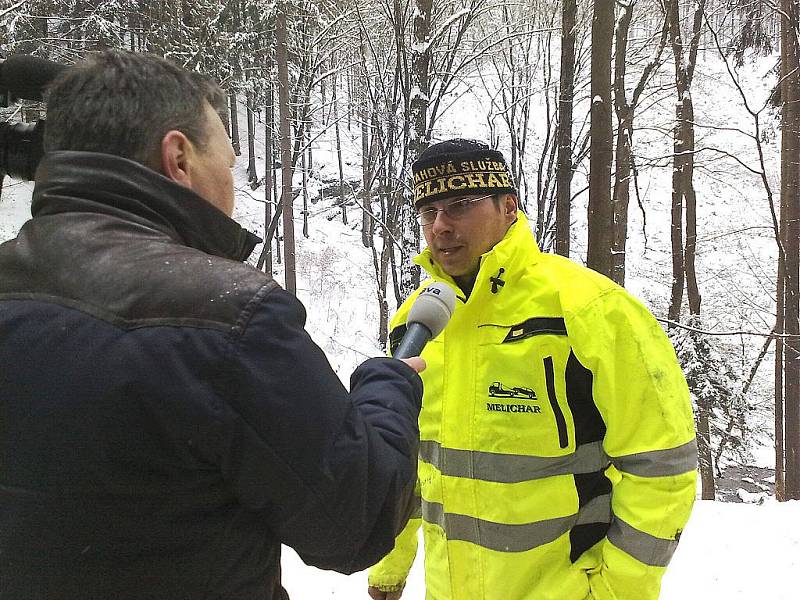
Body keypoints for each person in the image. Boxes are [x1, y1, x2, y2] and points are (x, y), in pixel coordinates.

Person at [0, 50, 425, 600]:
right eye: (226, 159)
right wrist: (387, 385)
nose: (231, 182)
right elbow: (356, 521)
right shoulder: (228, 316)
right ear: (179, 157)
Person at [367, 139, 697, 600]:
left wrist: (616, 592)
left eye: (460, 205)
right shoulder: (416, 323)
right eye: (428, 211)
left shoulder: (590, 309)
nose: (440, 226)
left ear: (508, 206)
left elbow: (662, 468)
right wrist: (389, 566)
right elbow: (410, 461)